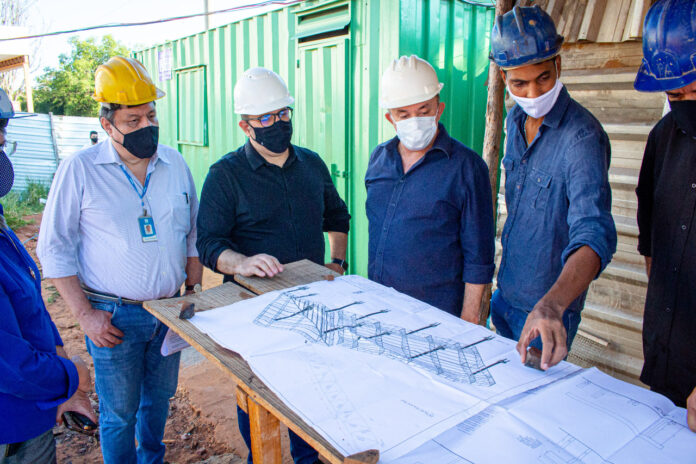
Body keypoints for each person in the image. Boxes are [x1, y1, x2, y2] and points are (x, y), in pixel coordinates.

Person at [37, 56, 203, 463]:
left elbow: (194, 235)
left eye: (151, 115)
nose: (146, 126)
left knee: (158, 401)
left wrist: (194, 291)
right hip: (113, 319)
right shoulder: (80, 170)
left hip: (169, 312)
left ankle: (152, 457)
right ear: (107, 122)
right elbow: (53, 247)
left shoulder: (176, 164)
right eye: (133, 121)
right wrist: (85, 316)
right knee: (118, 414)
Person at [196, 67, 350, 464]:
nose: (278, 124)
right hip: (254, 314)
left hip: (314, 307)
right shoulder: (225, 176)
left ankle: (308, 457)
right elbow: (209, 244)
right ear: (245, 125)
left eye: (283, 114)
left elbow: (338, 217)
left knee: (314, 396)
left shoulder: (312, 165)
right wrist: (242, 261)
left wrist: (337, 261)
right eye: (266, 118)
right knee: (259, 401)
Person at [489, 6, 616, 370]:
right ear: (503, 77)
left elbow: (594, 234)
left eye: (543, 78)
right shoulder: (514, 123)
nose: (533, 92)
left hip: (546, 317)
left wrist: (552, 305)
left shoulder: (582, 138)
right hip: (506, 297)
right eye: (519, 84)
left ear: (558, 64)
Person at [0, 88, 96, 463]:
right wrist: (69, 376)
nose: (2, 144)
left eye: (4, 133)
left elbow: (29, 307)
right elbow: (10, 362)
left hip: (30, 417)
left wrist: (62, 382)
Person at [365, 55, 495, 321]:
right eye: (404, 114)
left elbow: (479, 260)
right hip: (381, 307)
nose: (415, 119)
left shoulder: (467, 168)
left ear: (439, 108)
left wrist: (468, 325)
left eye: (424, 110)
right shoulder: (378, 160)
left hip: (436, 316)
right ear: (391, 118)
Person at [633, 0, 696, 430]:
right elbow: (653, 247)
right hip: (668, 355)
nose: (689, 103)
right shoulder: (662, 139)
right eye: (676, 94)